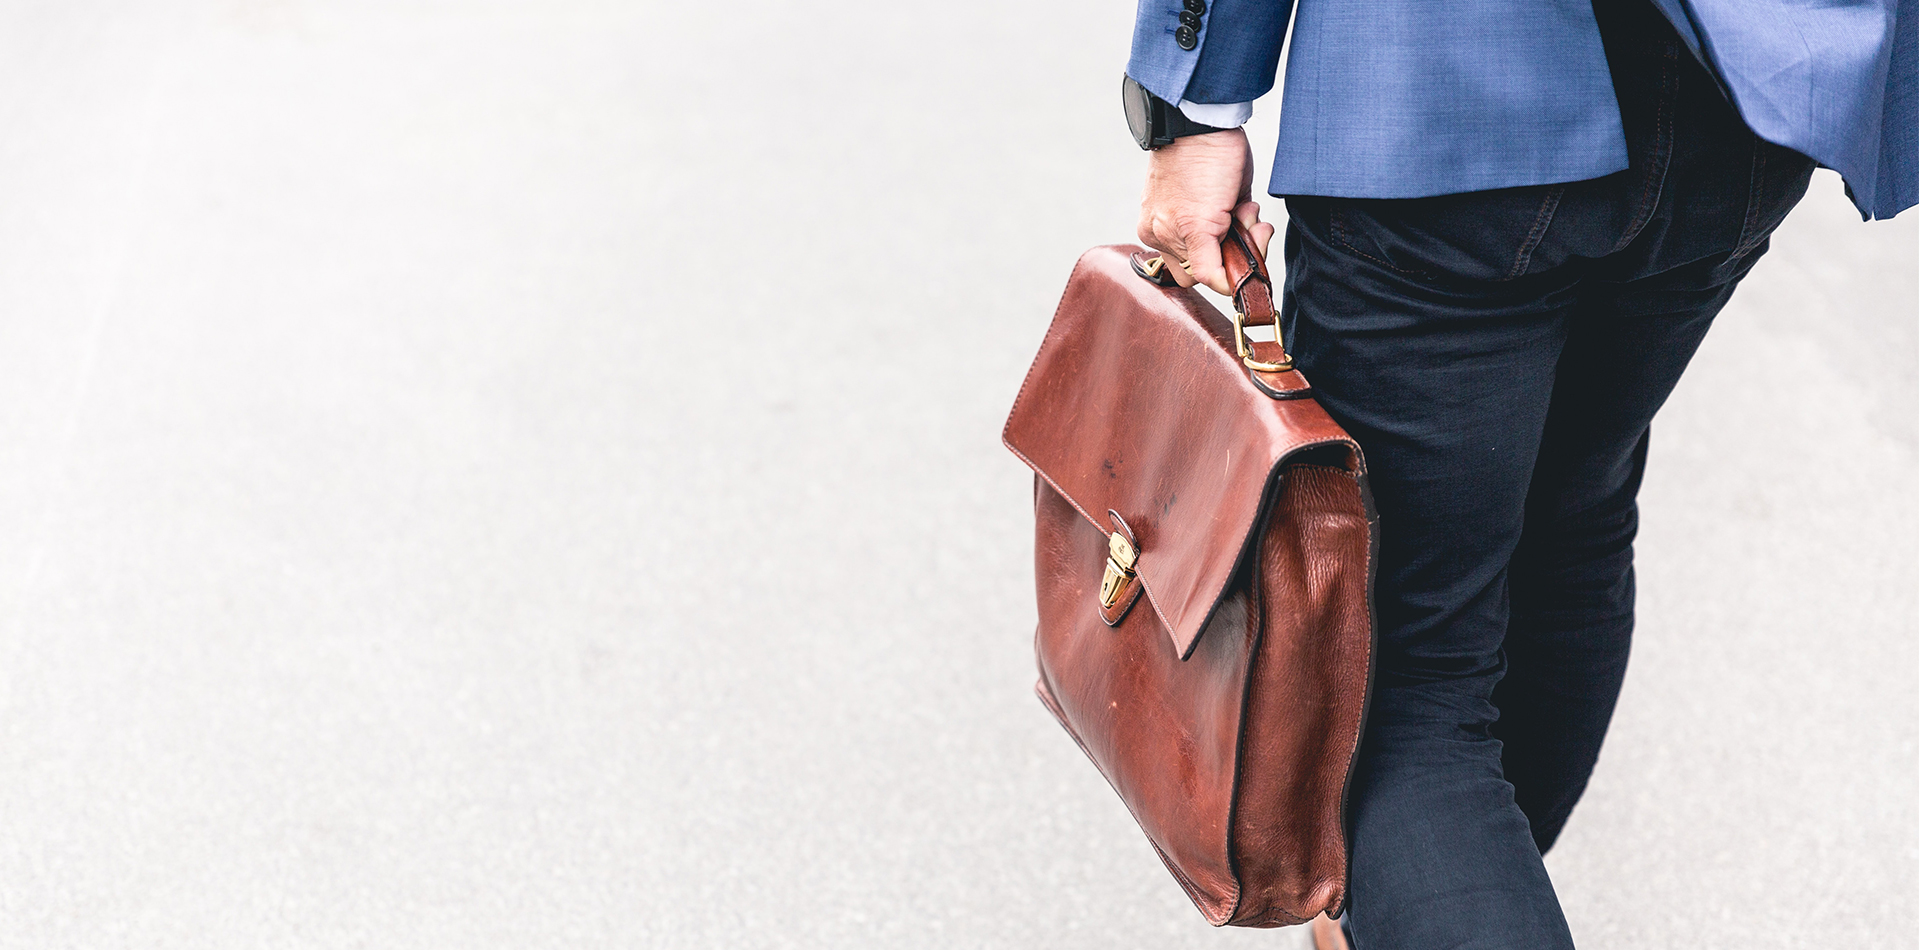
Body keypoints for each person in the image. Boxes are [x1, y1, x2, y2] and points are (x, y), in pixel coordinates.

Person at [1122, 0, 1916, 947]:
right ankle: (1436, 890)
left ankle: (1435, 890)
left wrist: (1194, 102)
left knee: (1395, 668)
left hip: (1449, 94)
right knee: (1570, 521)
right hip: (1740, 103)